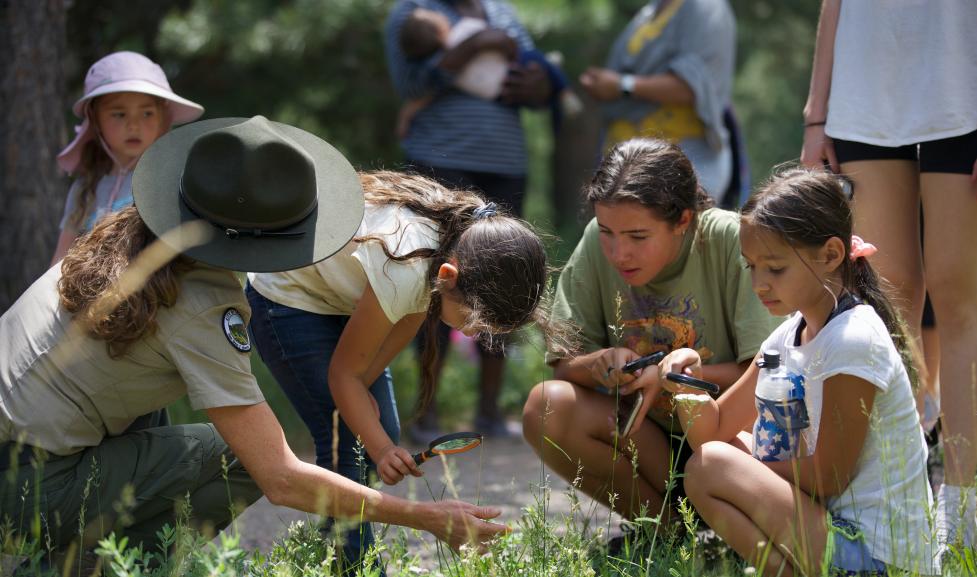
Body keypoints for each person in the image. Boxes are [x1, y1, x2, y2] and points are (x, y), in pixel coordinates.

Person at [0, 116, 508, 573]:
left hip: (21, 463)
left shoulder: (122, 238)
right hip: (23, 490)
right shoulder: (201, 303)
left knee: (155, 419)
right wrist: (426, 517)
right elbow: (280, 477)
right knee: (236, 458)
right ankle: (100, 570)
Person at [246, 169, 551, 566]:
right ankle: (353, 568)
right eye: (478, 323)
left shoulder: (457, 250)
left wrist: (376, 430)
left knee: (374, 431)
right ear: (448, 278)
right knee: (346, 446)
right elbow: (344, 377)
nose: (476, 335)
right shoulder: (408, 266)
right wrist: (379, 444)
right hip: (287, 297)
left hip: (344, 297)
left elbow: (362, 374)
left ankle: (340, 551)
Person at [663, 167, 938, 575]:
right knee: (715, 460)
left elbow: (828, 479)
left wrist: (744, 466)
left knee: (715, 465)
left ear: (830, 255)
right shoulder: (788, 336)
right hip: (829, 529)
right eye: (751, 266)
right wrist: (683, 383)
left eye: (774, 268)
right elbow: (713, 430)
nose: (758, 283)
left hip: (881, 556)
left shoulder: (852, 339)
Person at [521, 138, 780, 520]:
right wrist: (601, 363)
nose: (618, 252)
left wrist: (673, 378)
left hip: (731, 439)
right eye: (607, 232)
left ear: (682, 221)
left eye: (637, 237)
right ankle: (666, 532)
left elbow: (768, 372)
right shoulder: (598, 238)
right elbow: (563, 365)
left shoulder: (731, 240)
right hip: (646, 441)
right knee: (547, 405)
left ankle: (727, 529)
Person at [799, 0, 977, 549]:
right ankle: (901, 511)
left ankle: (965, 520)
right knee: (884, 308)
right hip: (864, 94)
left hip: (963, 90)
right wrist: (817, 115)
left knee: (962, 304)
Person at [385, 0, 556, 442]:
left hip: (504, 165)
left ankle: (490, 413)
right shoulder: (413, 13)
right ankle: (426, 414)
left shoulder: (502, 12)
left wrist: (540, 86)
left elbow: (536, 77)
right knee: (435, 278)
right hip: (438, 165)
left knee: (504, 275)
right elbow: (410, 82)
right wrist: (476, 45)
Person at [51, 50, 204, 265]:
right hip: (93, 296)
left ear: (163, 119)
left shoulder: (171, 185)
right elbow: (60, 260)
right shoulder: (84, 191)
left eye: (147, 113)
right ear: (96, 120)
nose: (133, 125)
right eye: (119, 114)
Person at [579, 0, 736, 200]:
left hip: (680, 165)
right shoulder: (652, 10)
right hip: (629, 162)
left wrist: (623, 86)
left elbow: (691, 88)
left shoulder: (706, 7)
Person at [396, 7, 580, 139]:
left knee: (543, 73)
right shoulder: (461, 27)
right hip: (444, 159)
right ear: (439, 28)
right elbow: (506, 42)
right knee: (538, 59)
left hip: (499, 97)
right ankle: (563, 88)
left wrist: (405, 117)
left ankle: (558, 94)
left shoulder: (443, 67)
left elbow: (422, 97)